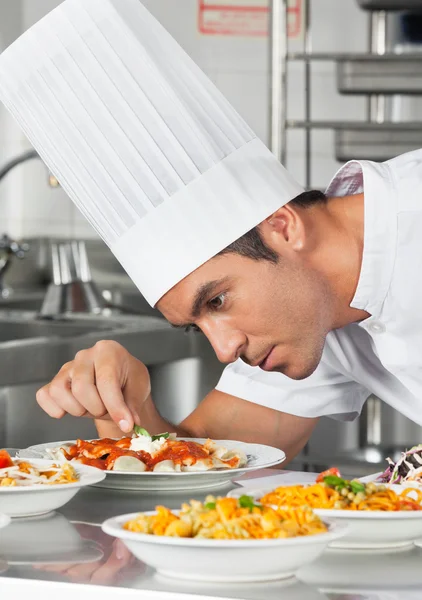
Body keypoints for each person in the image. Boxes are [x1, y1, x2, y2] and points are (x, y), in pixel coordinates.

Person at [1, 1, 421, 463]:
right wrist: (129, 406)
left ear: (282, 227)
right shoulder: (307, 309)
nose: (224, 350)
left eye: (217, 300)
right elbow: (211, 462)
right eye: (198, 327)